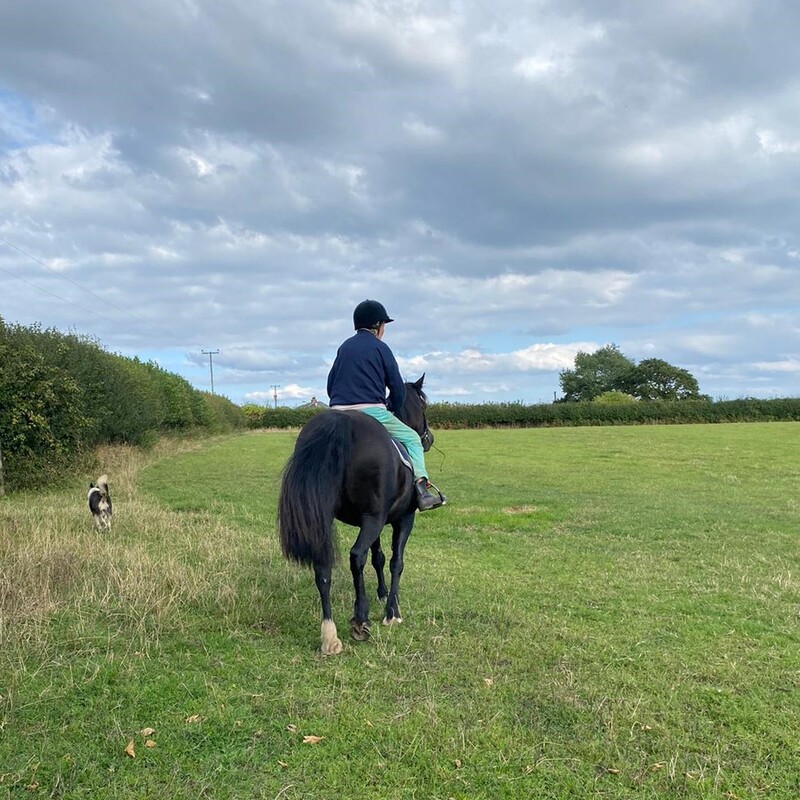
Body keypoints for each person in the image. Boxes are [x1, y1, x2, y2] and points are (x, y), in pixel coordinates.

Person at [327, 299, 445, 512]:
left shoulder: (343, 347)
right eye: (384, 326)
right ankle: (422, 491)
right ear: (378, 326)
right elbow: (398, 390)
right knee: (412, 439)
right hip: (371, 411)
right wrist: (391, 405)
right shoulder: (381, 348)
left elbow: (330, 385)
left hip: (336, 413)